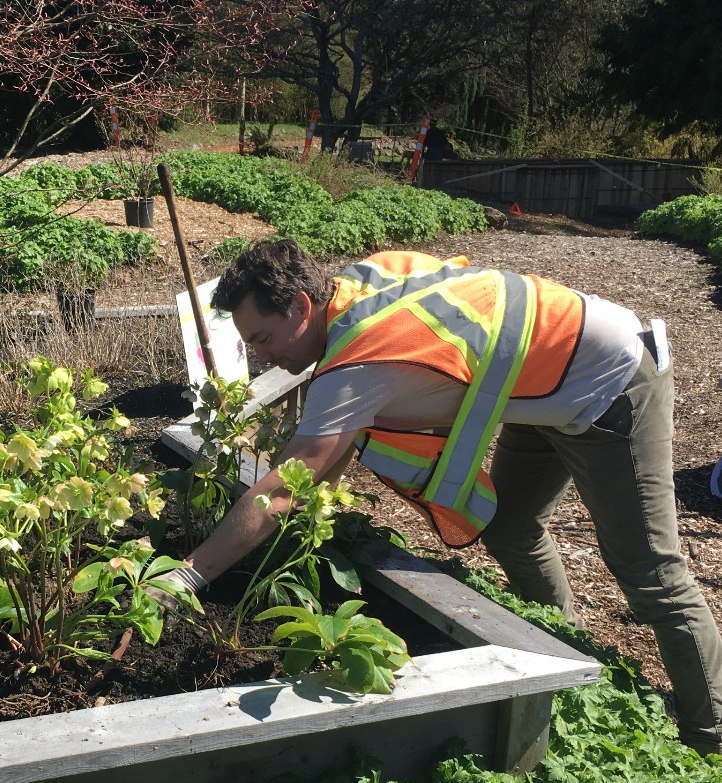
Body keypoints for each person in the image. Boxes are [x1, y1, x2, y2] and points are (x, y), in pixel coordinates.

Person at [160, 239, 722, 756]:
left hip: (611, 381)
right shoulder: (362, 280)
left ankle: (708, 735)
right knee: (510, 527)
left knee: (650, 572)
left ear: (303, 308)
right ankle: (563, 656)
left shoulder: (359, 362)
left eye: (261, 339)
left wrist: (190, 575)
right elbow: (326, 463)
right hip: (539, 376)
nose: (261, 358)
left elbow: (289, 481)